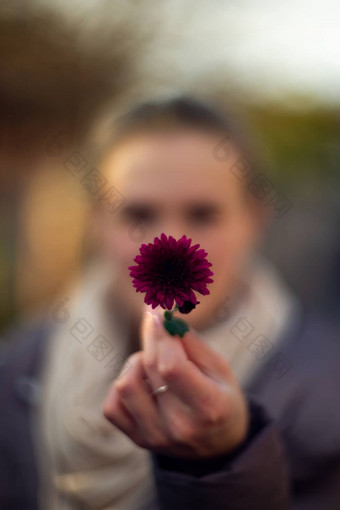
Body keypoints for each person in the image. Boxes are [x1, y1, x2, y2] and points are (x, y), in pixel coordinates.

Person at [1, 97, 339, 510]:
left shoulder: (327, 390)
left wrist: (223, 462)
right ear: (96, 221)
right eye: (139, 214)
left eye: (201, 215)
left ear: (255, 218)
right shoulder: (18, 363)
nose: (171, 243)